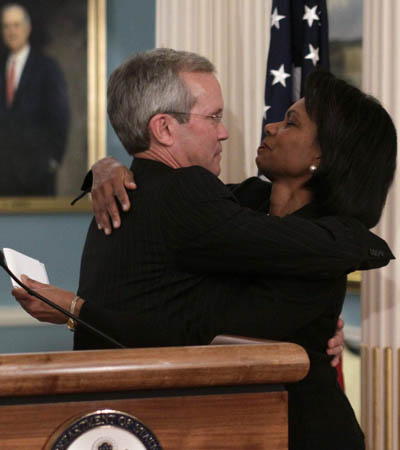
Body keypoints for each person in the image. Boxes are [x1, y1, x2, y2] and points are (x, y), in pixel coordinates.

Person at [13, 49, 396, 450]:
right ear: (163, 127)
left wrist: (76, 311)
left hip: (303, 430)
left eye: (290, 123)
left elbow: (204, 333)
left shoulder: (318, 241)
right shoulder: (241, 201)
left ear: (321, 156)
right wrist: (106, 168)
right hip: (228, 425)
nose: (268, 126)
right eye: (213, 117)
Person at [0, 3, 70, 196]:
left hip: (37, 175)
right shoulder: (1, 68)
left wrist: (52, 161)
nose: (11, 31)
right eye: (6, 26)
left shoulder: (47, 67)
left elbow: (60, 116)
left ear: (27, 28)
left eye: (16, 25)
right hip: (4, 178)